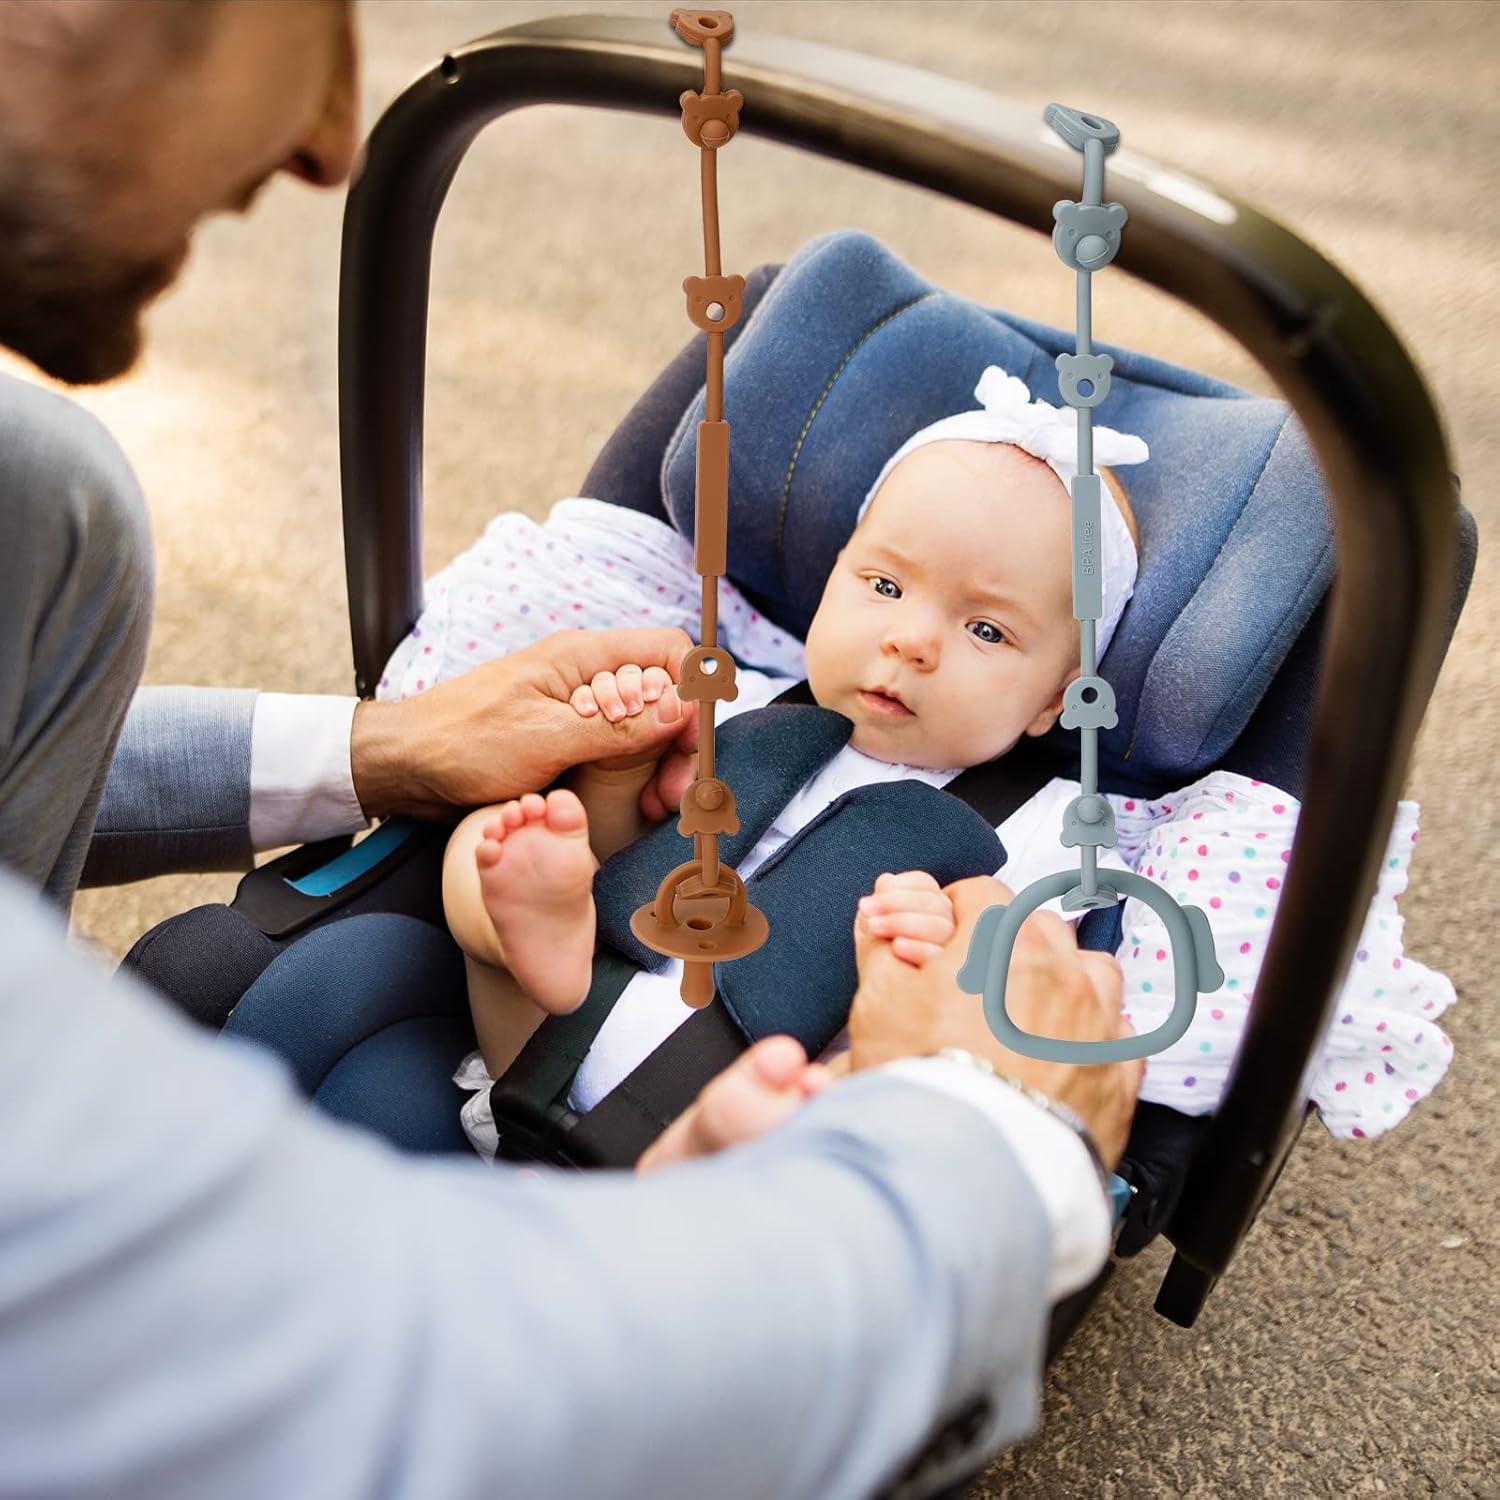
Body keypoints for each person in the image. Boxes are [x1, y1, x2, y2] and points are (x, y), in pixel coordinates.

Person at [0, 4, 1145, 1496]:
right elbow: (390, 1398)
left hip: (740, 1059)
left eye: (994, 633)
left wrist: (387, 753)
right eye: (881, 584)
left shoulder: (1031, 834)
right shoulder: (765, 719)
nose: (341, 141)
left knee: (55, 495)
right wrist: (990, 1168)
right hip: (556, 1042)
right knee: (342, 982)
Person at [427, 367, 1453, 1156]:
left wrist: (945, 953)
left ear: (1060, 696)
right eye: (883, 585)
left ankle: (719, 1135)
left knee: (911, 1079)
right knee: (493, 853)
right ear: (833, 576)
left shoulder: (1055, 824)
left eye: (989, 632)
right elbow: (627, 859)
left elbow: (1040, 989)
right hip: (535, 1050)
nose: (913, 640)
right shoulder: (729, 697)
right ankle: (533, 937)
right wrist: (606, 794)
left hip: (782, 1109)